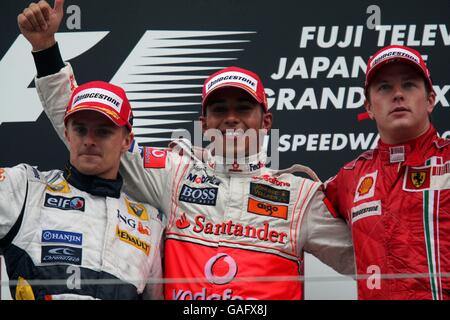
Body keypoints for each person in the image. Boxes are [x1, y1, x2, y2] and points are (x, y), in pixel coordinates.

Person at [20, 0, 355, 300]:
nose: (231, 118)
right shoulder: (175, 173)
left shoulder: (300, 196)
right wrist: (46, 50)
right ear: (204, 123)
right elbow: (91, 136)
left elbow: (372, 262)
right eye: (220, 109)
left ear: (266, 121)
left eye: (243, 107)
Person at [0, 79, 165, 300]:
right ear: (67, 134)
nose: (89, 140)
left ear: (127, 141)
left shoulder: (150, 223)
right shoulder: (26, 188)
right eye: (80, 129)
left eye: (103, 131)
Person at [325, 44, 450, 300]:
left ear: (430, 100)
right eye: (384, 87)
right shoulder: (350, 177)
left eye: (409, 85)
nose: (398, 95)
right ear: (369, 107)